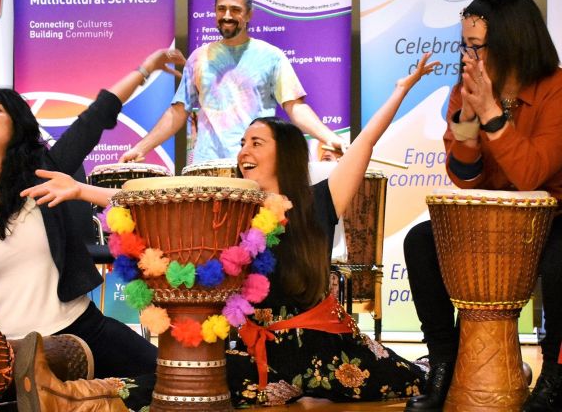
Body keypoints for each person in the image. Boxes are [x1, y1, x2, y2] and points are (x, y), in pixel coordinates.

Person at [23, 53, 439, 409]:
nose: (244, 151)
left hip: (326, 355)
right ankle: (70, 396)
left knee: (421, 383)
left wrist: (402, 89)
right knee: (183, 383)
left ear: (287, 152)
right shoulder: (233, 211)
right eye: (242, 142)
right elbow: (156, 210)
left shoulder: (319, 202)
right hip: (257, 354)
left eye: (257, 142)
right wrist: (80, 189)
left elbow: (364, 142)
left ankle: (69, 397)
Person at [0, 48, 186, 410]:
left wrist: (145, 69)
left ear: (18, 126)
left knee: (179, 382)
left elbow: (95, 118)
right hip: (11, 354)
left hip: (81, 328)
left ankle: (82, 400)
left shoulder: (47, 174)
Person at [403, 0, 562, 412]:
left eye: (476, 46)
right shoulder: (466, 90)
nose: (467, 57)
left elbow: (531, 175)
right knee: (420, 242)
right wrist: (468, 124)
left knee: (561, 259)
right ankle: (445, 363)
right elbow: (465, 181)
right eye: (464, 45)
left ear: (511, 39)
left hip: (552, 217)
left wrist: (492, 114)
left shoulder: (556, 88)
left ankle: (556, 375)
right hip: (493, 218)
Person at [119, 0, 345, 165]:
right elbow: (178, 112)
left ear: (248, 15)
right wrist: (140, 148)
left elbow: (295, 106)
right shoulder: (199, 57)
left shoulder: (272, 56)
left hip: (256, 165)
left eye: (235, 10)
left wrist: (329, 138)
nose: (227, 15)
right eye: (221, 9)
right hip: (207, 167)